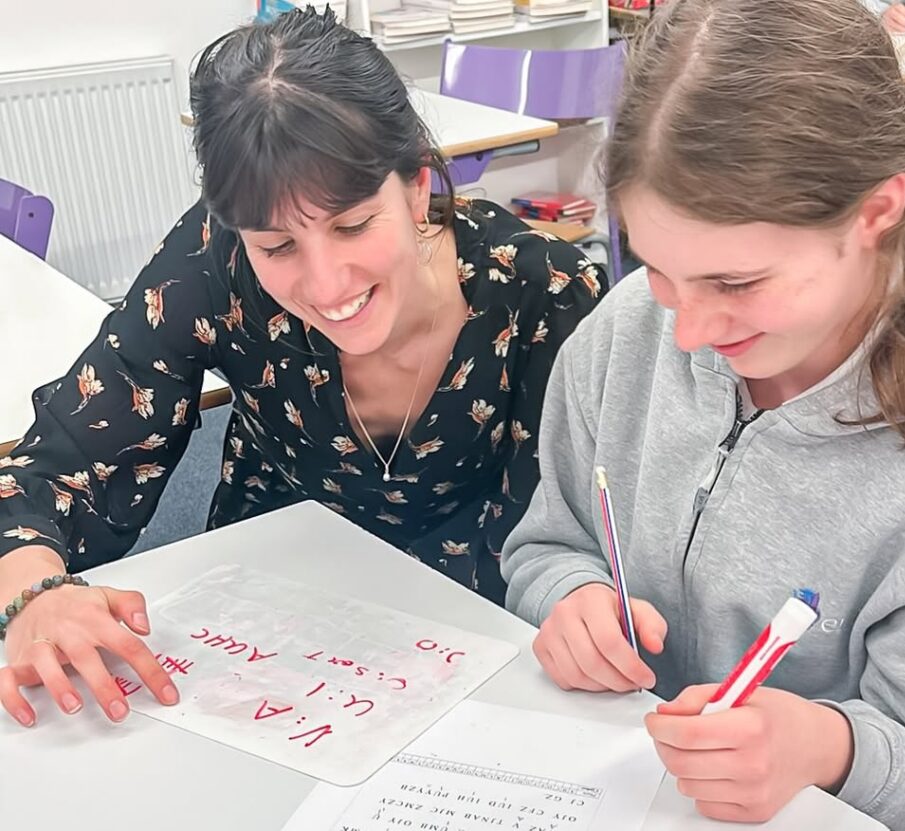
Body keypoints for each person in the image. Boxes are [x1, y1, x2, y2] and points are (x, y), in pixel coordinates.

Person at [0, 7, 605, 728]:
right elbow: (58, 466)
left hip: (478, 640)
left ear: (416, 186)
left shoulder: (546, 295)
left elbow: (564, 538)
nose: (325, 285)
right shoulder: (215, 260)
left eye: (352, 225)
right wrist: (34, 595)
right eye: (277, 247)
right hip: (264, 627)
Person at [501, 0, 905, 828]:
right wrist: (567, 593)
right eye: (656, 265)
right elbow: (551, 536)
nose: (691, 332)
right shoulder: (631, 327)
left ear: (877, 212)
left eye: (736, 284)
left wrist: (824, 747)